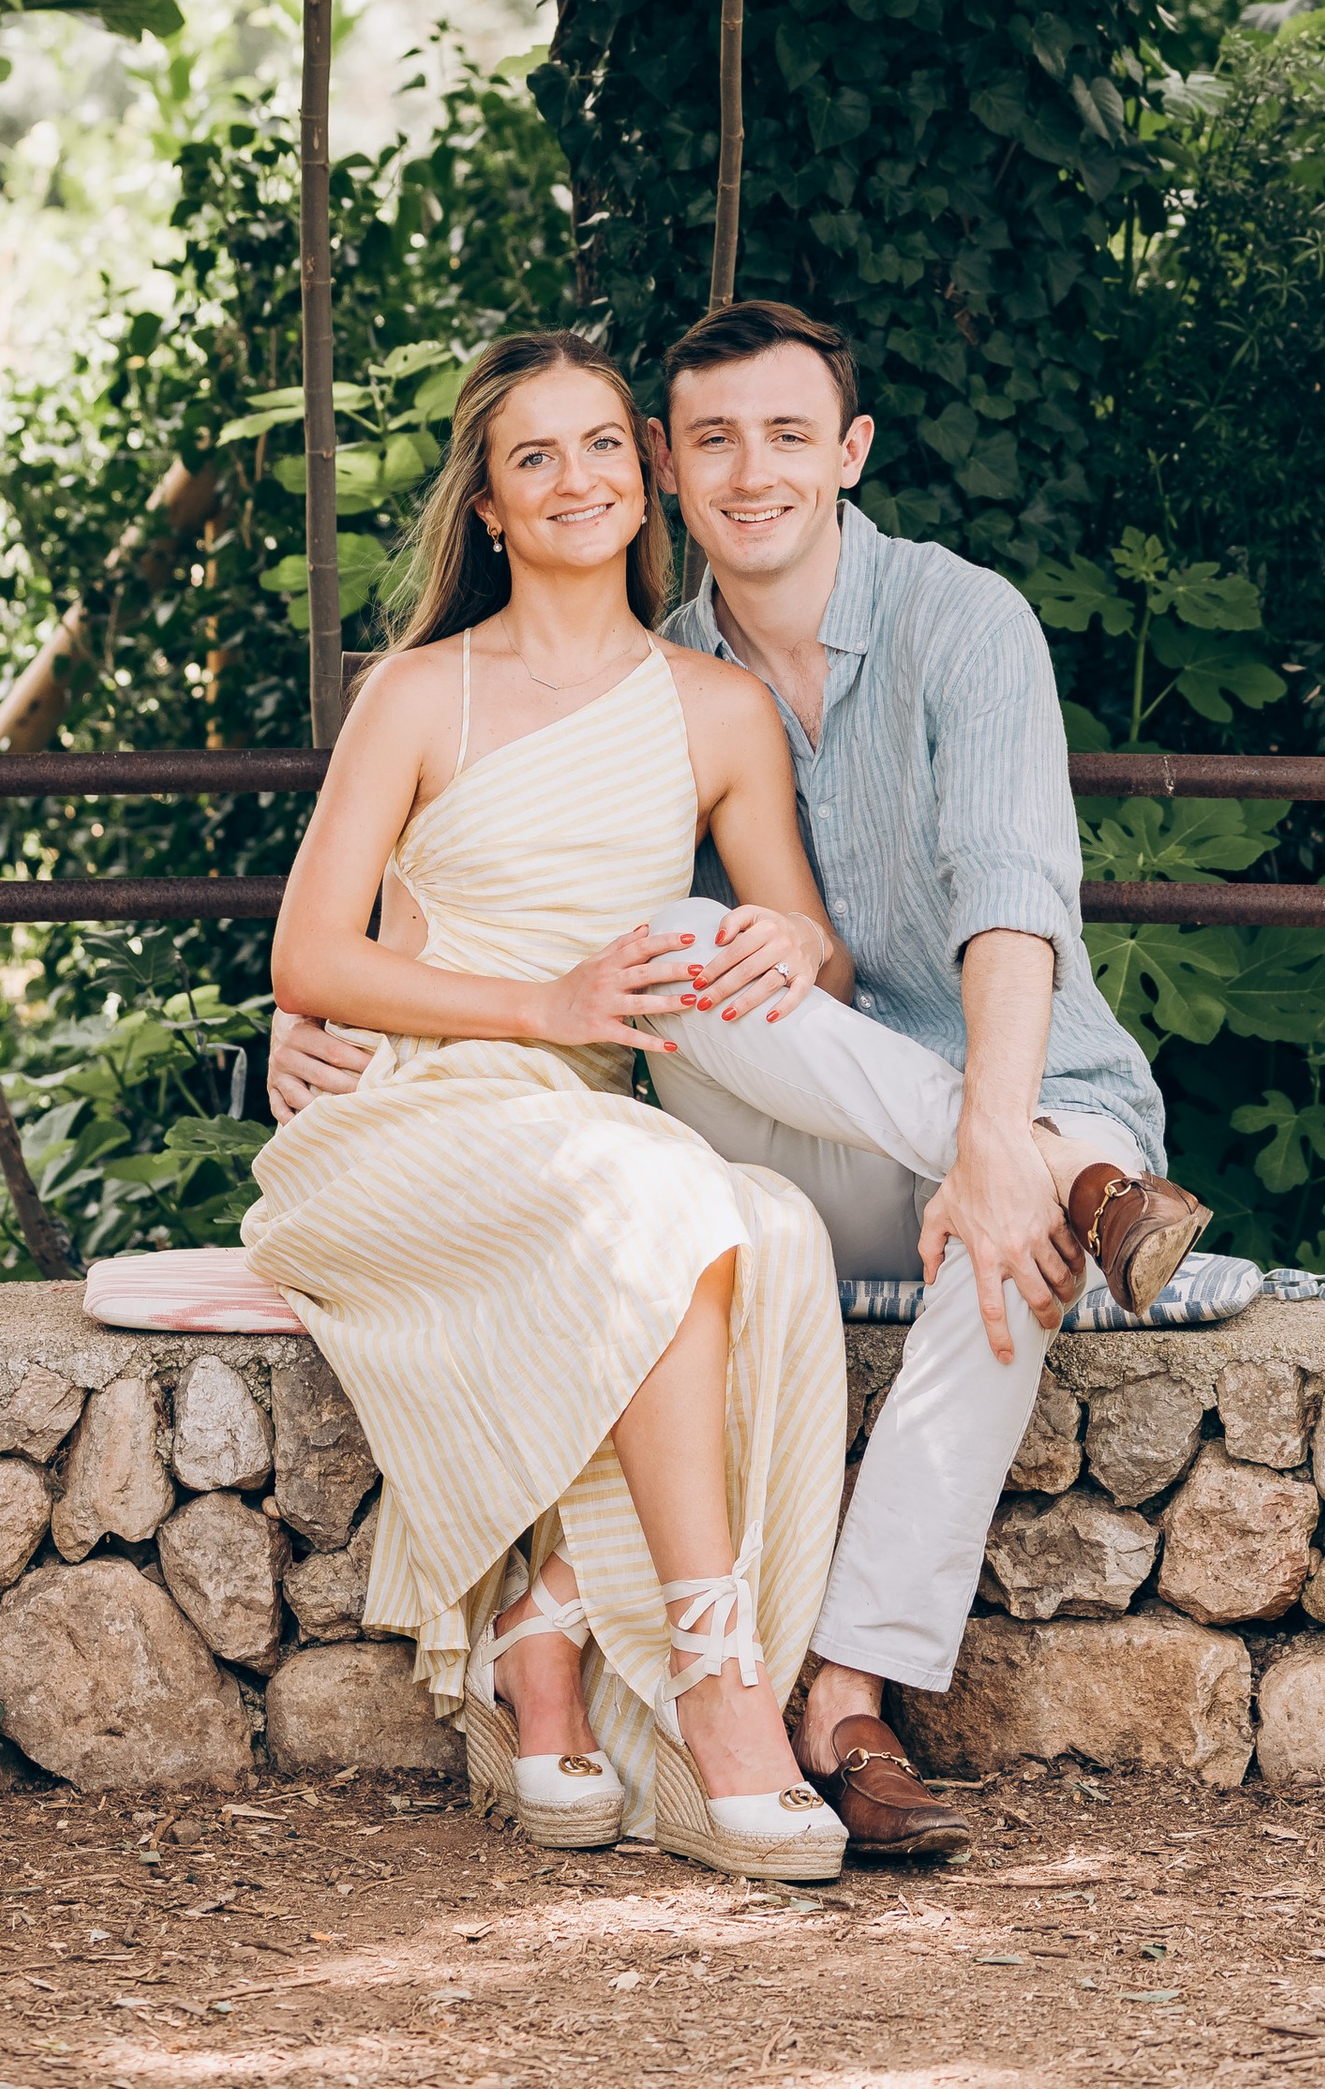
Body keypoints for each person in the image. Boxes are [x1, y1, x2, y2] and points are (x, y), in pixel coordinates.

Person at [270, 297, 1210, 1864]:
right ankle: (1065, 1197)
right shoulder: (570, 672)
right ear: (661, 469)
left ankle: (842, 1694)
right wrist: (364, 1013)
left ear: (848, 452)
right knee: (698, 968)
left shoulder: (954, 626)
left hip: (1008, 1086)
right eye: (710, 439)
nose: (747, 469)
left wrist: (989, 1134)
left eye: (788, 434)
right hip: (687, 1102)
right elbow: (347, 939)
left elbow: (1005, 898)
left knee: (992, 1242)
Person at [241, 326, 854, 1881]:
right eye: (534, 458)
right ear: (493, 509)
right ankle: (721, 1693)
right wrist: (543, 1005)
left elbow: (815, 957)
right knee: (670, 1200)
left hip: (585, 1123)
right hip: (406, 1118)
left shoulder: (716, 713)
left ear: (645, 484)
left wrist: (793, 939)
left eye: (599, 447)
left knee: (761, 1219)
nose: (574, 480)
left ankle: (549, 1618)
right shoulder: (419, 695)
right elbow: (311, 954)